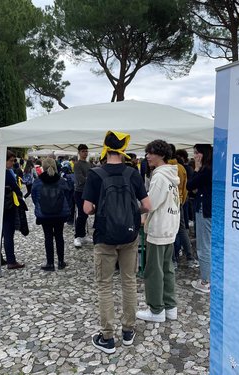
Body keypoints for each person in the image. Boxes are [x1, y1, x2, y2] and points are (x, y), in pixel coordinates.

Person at [83, 130, 151, 354]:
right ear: (123, 150)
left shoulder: (95, 173)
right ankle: (129, 331)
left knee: (104, 285)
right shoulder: (133, 173)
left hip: (104, 237)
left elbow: (86, 208)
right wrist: (133, 214)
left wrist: (100, 210)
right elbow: (147, 205)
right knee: (129, 281)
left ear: (106, 147)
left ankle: (107, 337)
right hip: (130, 236)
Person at [136, 140, 180, 323]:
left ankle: (156, 310)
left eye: (150, 152)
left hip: (159, 228)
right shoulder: (171, 175)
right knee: (167, 268)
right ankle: (170, 307)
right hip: (170, 226)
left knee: (154, 270)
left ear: (160, 154)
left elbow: (150, 204)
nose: (147, 156)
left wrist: (138, 212)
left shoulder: (159, 176)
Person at [32, 158, 70, 271]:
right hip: (59, 213)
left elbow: (34, 198)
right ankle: (61, 262)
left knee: (48, 237)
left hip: (44, 214)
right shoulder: (61, 181)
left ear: (42, 167)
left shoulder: (38, 182)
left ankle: (50, 263)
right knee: (59, 236)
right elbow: (67, 195)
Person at [0, 151, 25, 270]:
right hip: (7, 205)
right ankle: (11, 260)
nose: (12, 163)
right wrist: (20, 196)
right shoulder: (6, 173)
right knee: (8, 234)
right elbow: (16, 188)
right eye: (11, 160)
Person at [187, 144, 213, 293]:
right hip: (211, 208)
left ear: (202, 154)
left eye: (196, 153)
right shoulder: (214, 169)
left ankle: (205, 281)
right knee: (208, 243)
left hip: (205, 209)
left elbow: (190, 185)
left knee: (203, 246)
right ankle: (208, 278)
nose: (194, 156)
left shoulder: (205, 170)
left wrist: (196, 168)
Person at [169, 144, 197, 268]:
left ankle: (174, 259)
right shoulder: (181, 167)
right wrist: (182, 200)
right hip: (179, 201)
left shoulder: (166, 167)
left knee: (170, 231)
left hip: (169, 203)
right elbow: (185, 187)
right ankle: (190, 257)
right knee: (181, 229)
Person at [73, 144, 92, 248]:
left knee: (86, 214)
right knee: (80, 214)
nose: (85, 153)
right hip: (79, 192)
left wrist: (88, 179)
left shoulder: (89, 164)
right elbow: (80, 179)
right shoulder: (77, 164)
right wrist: (88, 179)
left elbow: (90, 178)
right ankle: (77, 236)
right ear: (79, 152)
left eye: (86, 151)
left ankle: (83, 235)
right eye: (83, 151)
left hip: (88, 191)